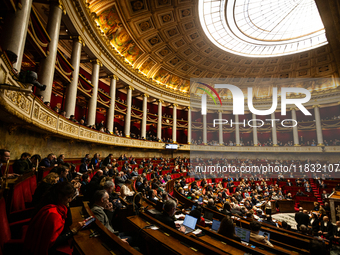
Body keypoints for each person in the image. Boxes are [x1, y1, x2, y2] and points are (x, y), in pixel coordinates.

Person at [24, 182, 85, 255]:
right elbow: (53, 241)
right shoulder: (53, 213)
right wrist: (73, 231)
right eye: (69, 197)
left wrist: (67, 205)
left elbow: (68, 222)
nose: (70, 200)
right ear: (60, 196)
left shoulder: (52, 204)